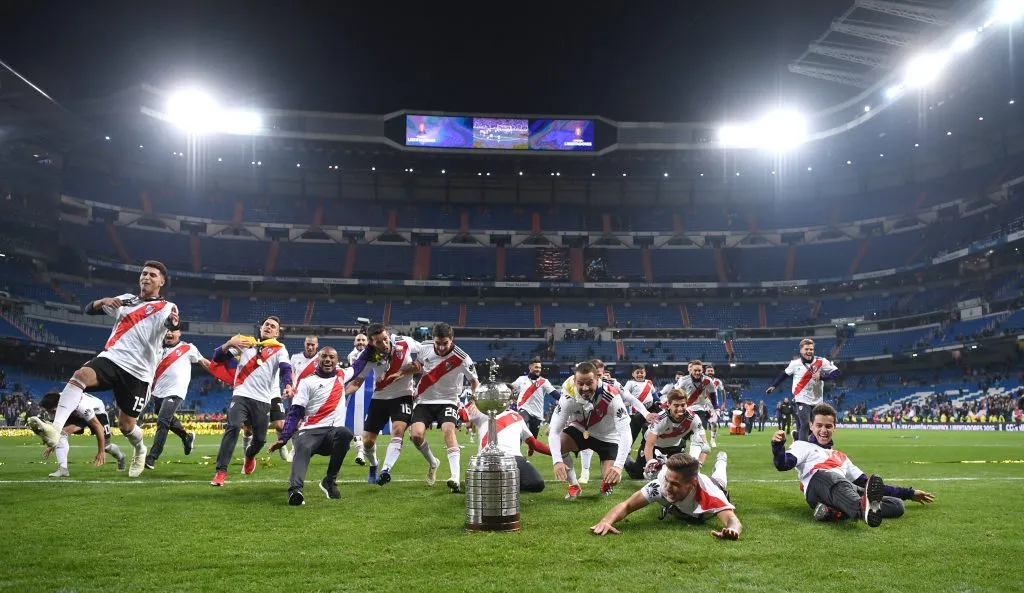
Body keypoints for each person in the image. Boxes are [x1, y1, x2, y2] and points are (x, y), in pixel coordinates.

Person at [45, 260, 180, 478]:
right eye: (144, 273)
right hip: (112, 358)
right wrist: (102, 301)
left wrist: (173, 324)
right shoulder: (125, 300)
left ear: (161, 282)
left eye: (153, 275)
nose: (146, 277)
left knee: (126, 426)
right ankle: (56, 429)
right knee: (80, 375)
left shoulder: (167, 307)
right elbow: (89, 309)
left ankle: (140, 449)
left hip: (139, 373)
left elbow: (172, 323)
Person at [771, 403, 935, 527]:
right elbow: (783, 464)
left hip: (845, 490)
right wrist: (778, 447)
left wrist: (909, 493)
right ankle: (860, 508)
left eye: (828, 426)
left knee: (896, 505)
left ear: (834, 428)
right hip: (818, 487)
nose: (823, 430)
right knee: (830, 476)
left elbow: (868, 484)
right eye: (819, 425)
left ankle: (835, 513)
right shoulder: (803, 446)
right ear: (811, 426)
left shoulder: (842, 457)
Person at [269, 347, 360, 505]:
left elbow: (360, 364)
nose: (327, 359)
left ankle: (329, 482)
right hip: (309, 432)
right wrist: (284, 438)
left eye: (332, 357)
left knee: (345, 433)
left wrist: (372, 345)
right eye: (324, 356)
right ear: (318, 360)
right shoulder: (307, 382)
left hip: (332, 434)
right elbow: (295, 412)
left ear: (337, 361)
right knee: (301, 448)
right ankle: (295, 491)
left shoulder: (342, 375)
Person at [209, 316, 294, 486]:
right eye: (266, 325)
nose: (268, 327)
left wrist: (289, 384)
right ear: (261, 328)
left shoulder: (279, 349)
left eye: (273, 326)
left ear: (277, 333)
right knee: (233, 426)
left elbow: (286, 368)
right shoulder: (245, 343)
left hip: (263, 400)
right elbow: (218, 358)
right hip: (241, 394)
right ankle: (221, 472)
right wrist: (228, 344)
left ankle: (249, 456)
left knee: (260, 439)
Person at [591, 453, 741, 540]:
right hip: (680, 504)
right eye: (668, 480)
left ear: (692, 484)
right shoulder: (661, 484)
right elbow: (627, 505)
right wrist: (606, 521)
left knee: (720, 479)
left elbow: (733, 520)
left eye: (675, 484)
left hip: (713, 488)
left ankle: (721, 461)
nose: (668, 488)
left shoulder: (709, 495)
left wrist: (732, 530)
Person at [347, 323, 423, 485]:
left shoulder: (405, 342)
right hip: (380, 397)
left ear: (388, 334)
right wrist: (340, 395)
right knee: (367, 441)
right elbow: (357, 382)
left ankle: (385, 470)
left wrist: (403, 372)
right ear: (371, 343)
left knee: (398, 429)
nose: (384, 344)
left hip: (403, 395)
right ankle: (374, 465)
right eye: (379, 342)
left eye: (385, 339)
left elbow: (424, 359)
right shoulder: (370, 356)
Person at [409, 322, 479, 493]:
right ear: (433, 339)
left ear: (451, 340)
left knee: (448, 430)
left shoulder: (462, 357)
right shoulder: (424, 348)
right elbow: (417, 365)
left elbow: (474, 381)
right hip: (424, 400)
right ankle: (433, 462)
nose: (440, 347)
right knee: (416, 436)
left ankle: (454, 477)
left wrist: (473, 400)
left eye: (444, 343)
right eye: (437, 343)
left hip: (448, 400)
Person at [548, 361, 632, 500]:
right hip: (580, 430)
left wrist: (618, 466)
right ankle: (574, 485)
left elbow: (626, 433)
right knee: (560, 444)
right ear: (574, 381)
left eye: (589, 383)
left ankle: (606, 484)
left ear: (597, 380)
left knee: (613, 478)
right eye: (580, 383)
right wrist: (557, 461)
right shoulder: (568, 395)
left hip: (608, 437)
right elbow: (554, 431)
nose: (585, 388)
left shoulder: (611, 396)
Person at [145, 329, 209, 469]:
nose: (169, 333)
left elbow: (203, 361)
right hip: (157, 391)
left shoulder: (188, 348)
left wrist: (219, 372)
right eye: (167, 330)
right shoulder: (157, 348)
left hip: (175, 391)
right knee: (165, 418)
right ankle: (186, 437)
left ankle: (152, 457)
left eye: (173, 330)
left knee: (162, 421)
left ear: (179, 333)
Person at [460, 396, 550, 492]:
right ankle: (489, 481)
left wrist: (557, 453)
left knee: (537, 484)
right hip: (488, 457)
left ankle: (502, 483)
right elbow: (462, 416)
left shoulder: (517, 416)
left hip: (514, 458)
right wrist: (472, 404)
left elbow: (533, 443)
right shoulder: (484, 411)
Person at [624, 388, 708, 480]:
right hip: (654, 446)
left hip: (676, 447)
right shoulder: (660, 419)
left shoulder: (694, 418)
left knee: (681, 475)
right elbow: (649, 445)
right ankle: (625, 457)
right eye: (676, 405)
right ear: (669, 405)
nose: (680, 409)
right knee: (638, 474)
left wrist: (698, 465)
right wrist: (651, 463)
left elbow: (704, 445)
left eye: (683, 405)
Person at [765, 339, 840, 442]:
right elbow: (784, 374)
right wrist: (774, 385)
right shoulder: (795, 364)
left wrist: (822, 376)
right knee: (805, 424)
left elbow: (837, 373)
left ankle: (797, 437)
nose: (809, 351)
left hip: (817, 400)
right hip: (801, 398)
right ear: (801, 350)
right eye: (806, 349)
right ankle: (802, 450)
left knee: (812, 426)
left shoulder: (821, 361)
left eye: (811, 349)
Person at [38, 391, 126, 477]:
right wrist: (52, 443)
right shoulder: (58, 403)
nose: (52, 414)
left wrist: (101, 451)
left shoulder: (80, 406)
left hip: (97, 413)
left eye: (53, 411)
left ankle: (120, 457)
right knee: (62, 435)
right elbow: (57, 430)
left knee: (106, 446)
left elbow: (98, 427)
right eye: (50, 411)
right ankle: (63, 469)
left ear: (59, 404)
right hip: (76, 414)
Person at [510, 358, 556, 437]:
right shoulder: (521, 379)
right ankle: (516, 447)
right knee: (520, 426)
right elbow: (510, 388)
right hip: (524, 408)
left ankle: (530, 449)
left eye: (539, 368)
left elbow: (555, 394)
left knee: (533, 440)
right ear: (530, 367)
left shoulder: (544, 382)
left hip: (537, 413)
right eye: (536, 367)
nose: (538, 369)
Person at [622, 364, 660, 453]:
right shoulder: (630, 383)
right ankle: (626, 451)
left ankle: (645, 448)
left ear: (645, 373)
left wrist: (658, 401)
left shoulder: (649, 383)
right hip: (634, 414)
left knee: (647, 431)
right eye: (637, 372)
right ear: (633, 374)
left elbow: (654, 395)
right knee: (632, 433)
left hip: (648, 413)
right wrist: (626, 401)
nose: (639, 374)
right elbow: (624, 394)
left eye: (641, 372)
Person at [704, 365, 724, 447]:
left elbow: (723, 391)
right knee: (700, 424)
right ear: (705, 372)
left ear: (714, 372)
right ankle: (702, 441)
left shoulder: (717, 381)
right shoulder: (702, 380)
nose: (710, 372)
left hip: (713, 406)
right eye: (708, 371)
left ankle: (712, 440)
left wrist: (724, 403)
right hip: (702, 405)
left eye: (711, 371)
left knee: (714, 423)